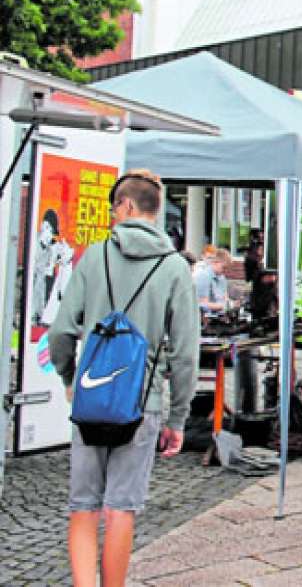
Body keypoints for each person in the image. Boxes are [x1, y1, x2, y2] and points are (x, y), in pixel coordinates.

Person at [48, 169, 199, 587]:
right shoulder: (173, 268)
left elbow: (61, 330)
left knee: (83, 505)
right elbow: (185, 352)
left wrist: (68, 376)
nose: (113, 216)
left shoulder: (94, 256)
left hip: (92, 397)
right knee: (121, 508)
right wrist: (178, 420)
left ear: (127, 206)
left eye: (115, 207)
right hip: (142, 402)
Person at [194, 248, 234, 315]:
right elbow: (202, 304)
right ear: (215, 262)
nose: (225, 271)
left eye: (227, 268)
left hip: (220, 316)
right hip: (207, 319)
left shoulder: (222, 278)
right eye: (224, 267)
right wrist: (224, 306)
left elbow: (225, 299)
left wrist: (231, 304)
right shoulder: (203, 276)